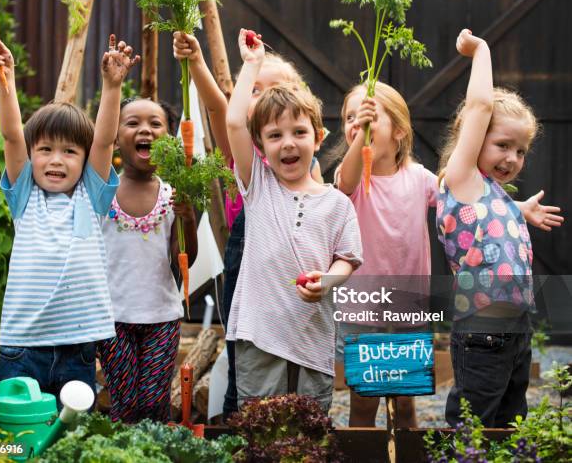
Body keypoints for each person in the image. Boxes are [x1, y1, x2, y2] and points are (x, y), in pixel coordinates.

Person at [172, 31, 321, 419]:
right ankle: (239, 424)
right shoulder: (248, 151)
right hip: (250, 254)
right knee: (247, 355)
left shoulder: (304, 157)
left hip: (295, 260)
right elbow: (222, 110)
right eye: (255, 89)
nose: (266, 97)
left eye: (278, 88)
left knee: (294, 354)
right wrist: (200, 62)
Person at [0, 35, 139, 397]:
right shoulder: (25, 196)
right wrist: (5, 77)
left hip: (77, 350)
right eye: (45, 150)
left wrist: (112, 85)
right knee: (18, 441)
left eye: (70, 151)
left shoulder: (91, 196)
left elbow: (103, 141)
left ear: (84, 161)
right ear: (32, 154)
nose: (56, 160)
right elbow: (10, 136)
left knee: (71, 444)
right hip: (23, 347)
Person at [225, 29, 362, 411]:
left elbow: (348, 258)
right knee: (260, 427)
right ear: (261, 145)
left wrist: (328, 280)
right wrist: (251, 65)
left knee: (308, 428)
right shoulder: (258, 185)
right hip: (259, 335)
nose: (288, 143)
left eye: (299, 132)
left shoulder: (337, 203)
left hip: (312, 337)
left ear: (318, 138)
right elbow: (235, 123)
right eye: (275, 135)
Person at [436, 29, 563, 427]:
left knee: (511, 417)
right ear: (472, 141)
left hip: (515, 328)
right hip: (482, 328)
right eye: (503, 144)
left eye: (521, 150)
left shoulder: (492, 195)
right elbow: (478, 106)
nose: (513, 157)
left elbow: (488, 224)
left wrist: (517, 211)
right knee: (474, 418)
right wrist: (481, 51)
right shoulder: (461, 178)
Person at [335, 81, 438, 428]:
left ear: (399, 131)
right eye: (350, 117)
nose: (356, 123)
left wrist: (515, 209)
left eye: (368, 116)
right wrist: (361, 133)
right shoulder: (352, 180)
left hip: (410, 311)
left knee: (406, 407)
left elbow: (462, 201)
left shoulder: (421, 179)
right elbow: (345, 181)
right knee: (363, 408)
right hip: (362, 313)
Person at [97, 97, 198, 422]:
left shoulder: (172, 195)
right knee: (124, 401)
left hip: (161, 317)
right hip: (114, 318)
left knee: (154, 402)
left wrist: (188, 219)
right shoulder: (103, 193)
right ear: (114, 136)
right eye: (132, 123)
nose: (145, 130)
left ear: (169, 139)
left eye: (155, 124)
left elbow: (184, 258)